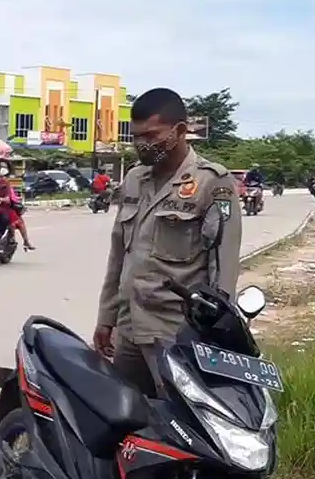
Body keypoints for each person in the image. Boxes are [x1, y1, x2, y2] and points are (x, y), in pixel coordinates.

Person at [93, 87, 243, 398]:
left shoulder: (213, 183)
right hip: (130, 327)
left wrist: (214, 333)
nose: (141, 145)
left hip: (176, 335)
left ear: (180, 131)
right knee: (124, 418)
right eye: (136, 137)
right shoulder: (135, 179)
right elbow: (119, 255)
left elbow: (224, 265)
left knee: (180, 426)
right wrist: (106, 317)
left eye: (151, 135)